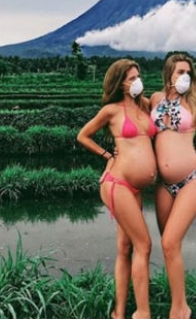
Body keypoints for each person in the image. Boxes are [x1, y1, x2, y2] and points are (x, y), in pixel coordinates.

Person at [77, 59, 156, 319]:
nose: (137, 81)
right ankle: (142, 313)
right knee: (143, 245)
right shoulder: (112, 110)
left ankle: (119, 313)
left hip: (135, 188)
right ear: (120, 83)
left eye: (138, 76)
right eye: (132, 78)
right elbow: (83, 135)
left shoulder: (145, 107)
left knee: (125, 248)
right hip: (117, 184)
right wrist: (107, 155)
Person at [150, 53, 196, 319]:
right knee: (170, 247)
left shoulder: (194, 100)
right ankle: (176, 298)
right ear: (169, 74)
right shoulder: (155, 100)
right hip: (163, 185)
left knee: (168, 242)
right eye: (180, 72)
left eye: (188, 72)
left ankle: (181, 309)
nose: (185, 77)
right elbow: (131, 122)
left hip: (191, 179)